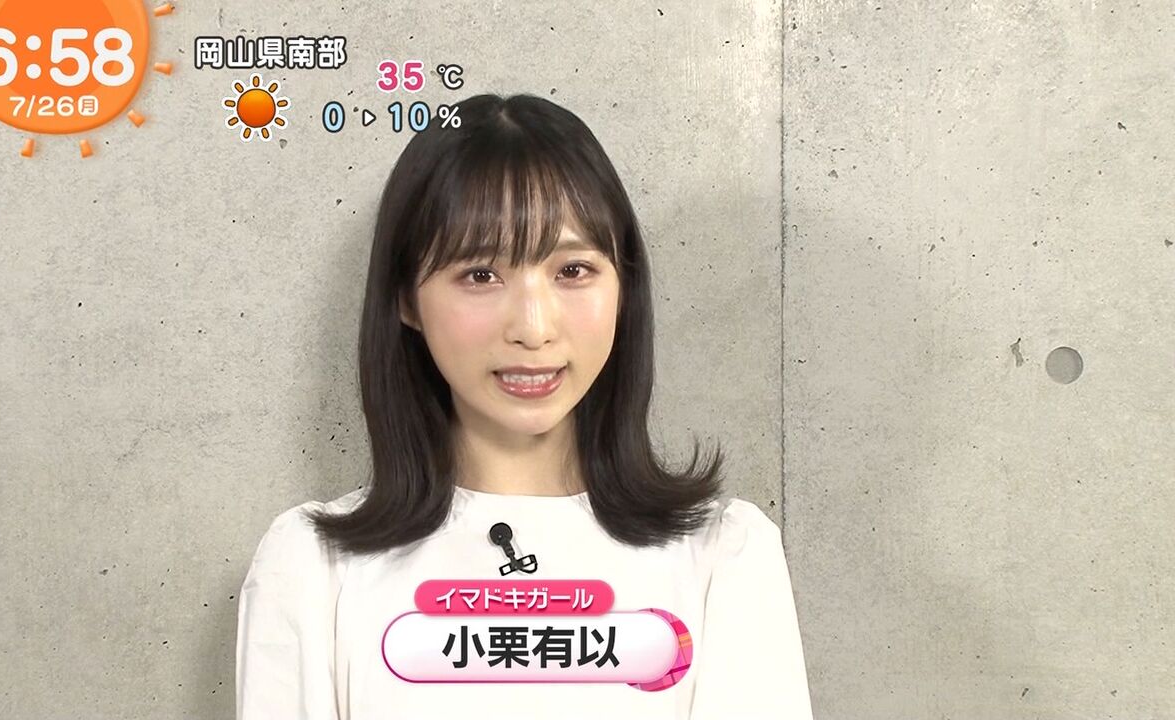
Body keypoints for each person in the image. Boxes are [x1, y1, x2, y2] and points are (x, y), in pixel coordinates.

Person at [235, 93, 814, 719]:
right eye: (481, 275)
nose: (534, 329)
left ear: (624, 286)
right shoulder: (314, 569)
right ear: (406, 299)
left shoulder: (722, 559)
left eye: (573, 271)